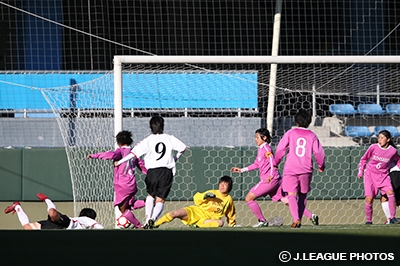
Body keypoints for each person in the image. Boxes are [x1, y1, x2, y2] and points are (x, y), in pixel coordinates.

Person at [231, 128, 319, 227]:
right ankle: (311, 216)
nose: (255, 139)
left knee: (248, 198)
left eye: (257, 137)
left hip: (269, 180)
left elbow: (273, 162)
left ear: (264, 138)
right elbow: (257, 164)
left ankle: (262, 221)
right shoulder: (261, 149)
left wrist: (271, 175)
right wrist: (242, 170)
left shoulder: (266, 149)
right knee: (287, 201)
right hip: (275, 180)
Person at [114, 116, 187, 229]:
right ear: (162, 126)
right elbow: (183, 148)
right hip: (166, 171)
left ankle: (147, 219)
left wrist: (120, 162)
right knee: (160, 200)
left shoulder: (148, 140)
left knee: (150, 196)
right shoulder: (169, 138)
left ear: (150, 127)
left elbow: (133, 153)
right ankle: (153, 219)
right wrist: (175, 159)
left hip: (152, 172)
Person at [274, 109, 326, 228]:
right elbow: (318, 152)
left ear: (296, 122)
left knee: (291, 195)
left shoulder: (290, 133)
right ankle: (299, 220)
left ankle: (296, 219)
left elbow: (281, 149)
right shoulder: (312, 135)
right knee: (302, 195)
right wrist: (321, 165)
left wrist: (276, 162)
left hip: (291, 168)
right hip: (306, 169)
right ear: (309, 122)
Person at [87, 130, 147, 228]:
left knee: (122, 209)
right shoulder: (134, 153)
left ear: (118, 142)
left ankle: (139, 226)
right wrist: (149, 173)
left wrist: (94, 155)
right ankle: (147, 202)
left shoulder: (120, 151)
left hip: (122, 185)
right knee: (129, 205)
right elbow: (141, 165)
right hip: (132, 183)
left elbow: (110, 155)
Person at [154, 175, 237, 228]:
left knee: (220, 223)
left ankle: (197, 225)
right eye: (221, 183)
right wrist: (204, 196)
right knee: (175, 213)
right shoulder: (212, 192)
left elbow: (230, 213)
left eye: (225, 184)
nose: (222, 186)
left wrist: (232, 224)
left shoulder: (228, 199)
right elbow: (196, 199)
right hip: (196, 212)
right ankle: (155, 224)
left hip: (207, 220)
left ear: (229, 187)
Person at [358, 130, 400, 225]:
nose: (379, 140)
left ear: (388, 139)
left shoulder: (392, 151)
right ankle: (369, 221)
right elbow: (364, 159)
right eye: (378, 138)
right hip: (370, 175)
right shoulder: (373, 147)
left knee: (390, 193)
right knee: (369, 198)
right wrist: (360, 171)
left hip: (383, 176)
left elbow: (398, 160)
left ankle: (392, 217)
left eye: (382, 138)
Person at [4, 192, 104, 229]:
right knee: (52, 214)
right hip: (66, 223)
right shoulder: (86, 219)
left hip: (58, 228)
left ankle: (17, 207)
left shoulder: (83, 224)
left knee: (27, 228)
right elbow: (100, 228)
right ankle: (47, 199)